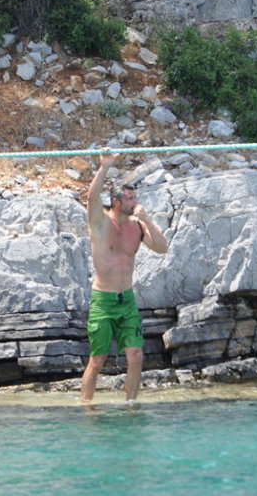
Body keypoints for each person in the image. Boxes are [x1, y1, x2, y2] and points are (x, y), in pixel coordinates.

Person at [81, 152, 168, 406]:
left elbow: (162, 248)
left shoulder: (137, 226)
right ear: (116, 202)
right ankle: (87, 406)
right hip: (103, 301)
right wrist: (104, 167)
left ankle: (131, 405)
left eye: (135, 197)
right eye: (130, 198)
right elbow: (91, 198)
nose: (135, 202)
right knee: (97, 360)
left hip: (127, 301)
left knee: (136, 355)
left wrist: (147, 219)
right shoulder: (100, 222)